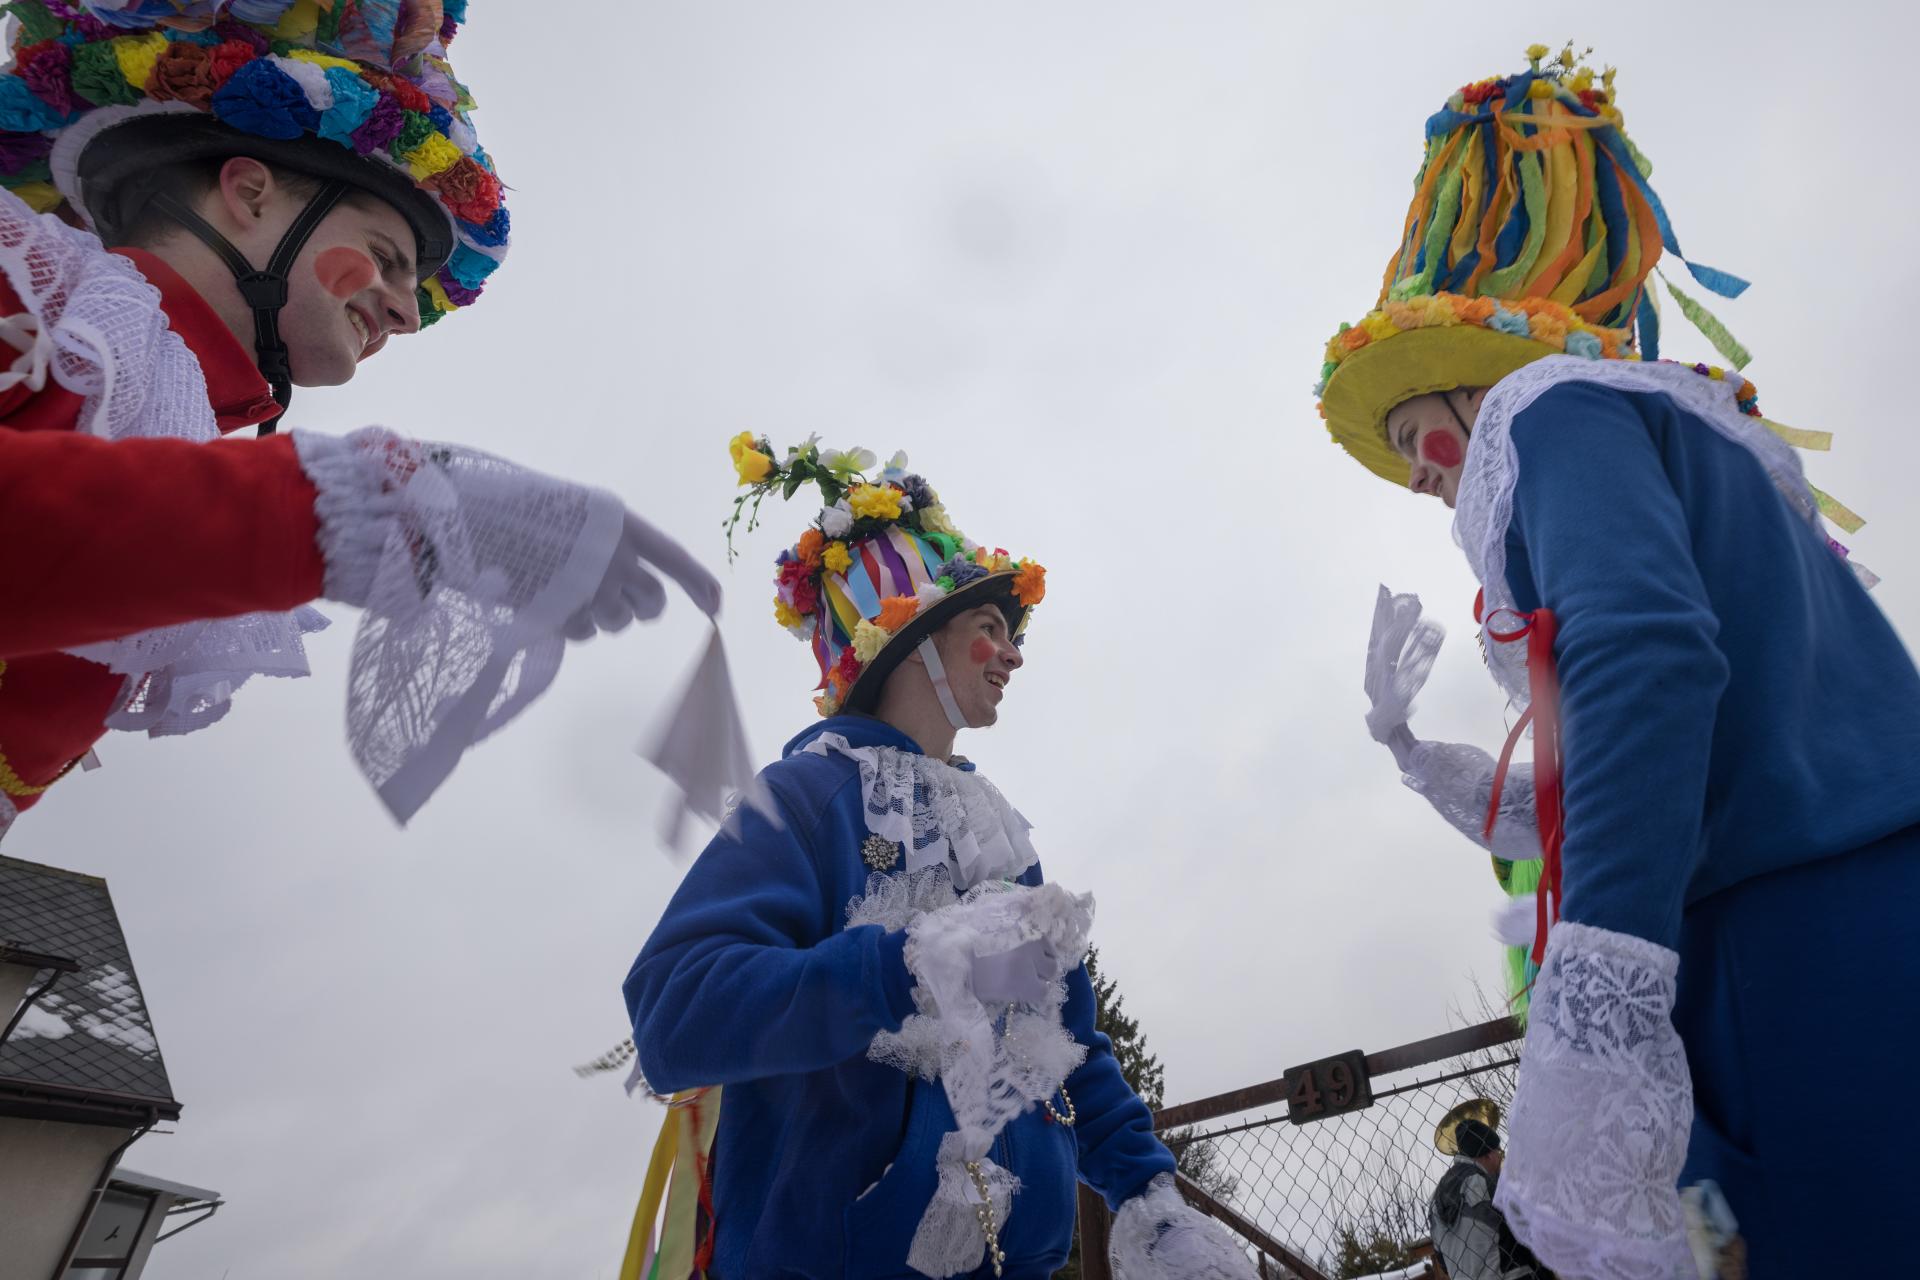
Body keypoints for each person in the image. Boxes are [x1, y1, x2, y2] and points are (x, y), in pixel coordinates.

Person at [1320, 46, 1916, 1279]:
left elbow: (1646, 659)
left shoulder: (1549, 407)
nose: (1422, 476)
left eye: (1422, 439)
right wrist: (1415, 753)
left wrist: (1601, 989)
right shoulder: (1701, 443)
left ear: (1476, 389)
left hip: (1779, 946)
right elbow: (1652, 744)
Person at [0, 0, 716, 837]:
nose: (408, 314)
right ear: (249, 193)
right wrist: (332, 505)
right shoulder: (27, 286)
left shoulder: (164, 409)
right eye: (384, 258)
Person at [622, 440, 1255, 1278]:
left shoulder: (1000, 840)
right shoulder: (806, 799)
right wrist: (902, 968)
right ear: (911, 641)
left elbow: (1065, 1041)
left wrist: (1150, 1197)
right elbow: (672, 1010)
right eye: (989, 629)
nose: (1014, 653)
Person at [1429, 1117, 1541, 1280]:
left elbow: (1442, 1262)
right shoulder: (1487, 1184)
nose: (1500, 1158)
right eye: (1499, 1152)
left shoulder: (1435, 1198)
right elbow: (1531, 1230)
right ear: (1489, 1155)